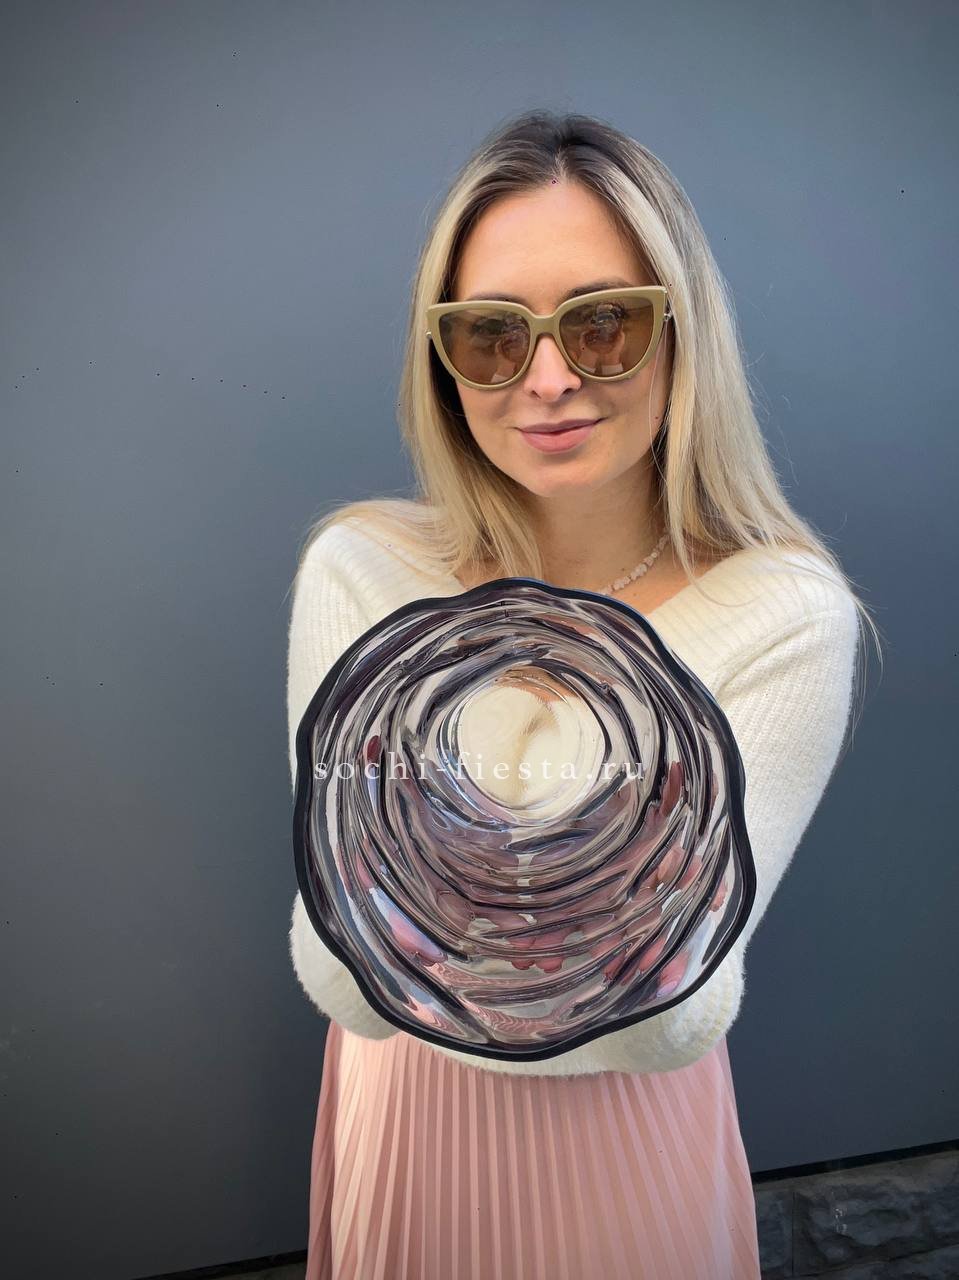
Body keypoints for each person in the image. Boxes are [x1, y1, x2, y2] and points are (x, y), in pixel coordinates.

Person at [285, 109, 881, 1280]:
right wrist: (599, 891)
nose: (548, 378)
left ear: (679, 330)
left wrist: (429, 854)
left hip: (628, 1171)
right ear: (442, 359)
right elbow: (342, 972)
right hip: (402, 1145)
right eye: (490, 335)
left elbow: (664, 1014)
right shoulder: (363, 570)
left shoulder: (780, 611)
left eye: (603, 322)